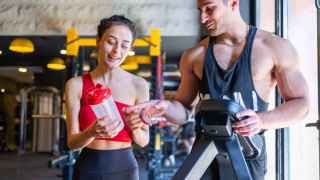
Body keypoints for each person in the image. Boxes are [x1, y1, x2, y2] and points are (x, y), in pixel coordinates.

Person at [124, 0, 309, 179]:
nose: (203, 18)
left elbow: (302, 104)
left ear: (234, 3)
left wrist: (262, 120)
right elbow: (183, 110)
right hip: (204, 153)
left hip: (248, 154)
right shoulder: (194, 55)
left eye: (210, 9)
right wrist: (164, 107)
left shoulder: (273, 47)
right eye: (200, 10)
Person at [64, 15, 150, 180]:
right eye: (111, 42)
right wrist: (91, 132)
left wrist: (135, 127)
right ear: (98, 41)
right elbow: (72, 143)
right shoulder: (75, 85)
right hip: (89, 168)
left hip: (125, 169)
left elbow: (144, 141)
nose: (117, 51)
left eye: (125, 46)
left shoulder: (139, 85)